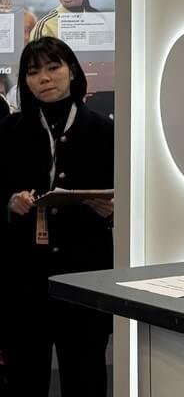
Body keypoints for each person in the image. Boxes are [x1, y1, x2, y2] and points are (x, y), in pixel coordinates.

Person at [0, 37, 114, 397]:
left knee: (85, 374)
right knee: (24, 375)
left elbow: (128, 195)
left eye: (53, 68)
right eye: (33, 72)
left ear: (73, 71)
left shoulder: (105, 130)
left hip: (85, 273)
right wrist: (9, 202)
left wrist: (112, 210)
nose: (44, 78)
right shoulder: (8, 130)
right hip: (23, 275)